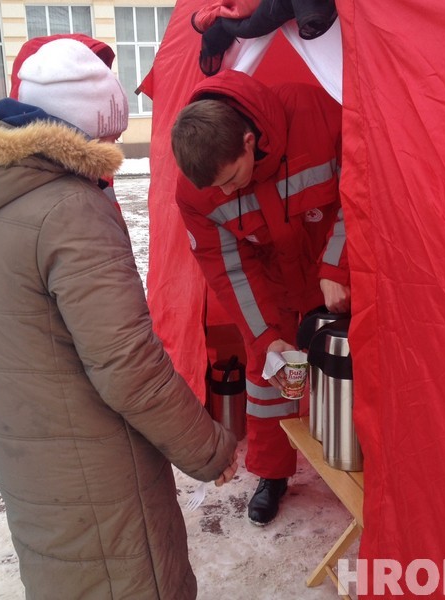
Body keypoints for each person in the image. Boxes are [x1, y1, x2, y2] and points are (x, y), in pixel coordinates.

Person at [0, 36, 238, 599]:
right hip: (99, 468)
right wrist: (208, 448)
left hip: (30, 454)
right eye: (109, 134)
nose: (112, 148)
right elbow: (127, 364)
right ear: (81, 129)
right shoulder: (69, 209)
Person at [170, 69, 349, 526]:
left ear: (248, 141)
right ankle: (272, 474)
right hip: (269, 282)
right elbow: (227, 266)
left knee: (355, 365)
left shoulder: (318, 114)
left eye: (231, 178)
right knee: (267, 371)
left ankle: (367, 458)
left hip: (334, 267)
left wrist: (337, 265)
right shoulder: (196, 190)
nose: (227, 193)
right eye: (218, 188)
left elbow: (363, 192)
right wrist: (266, 334)